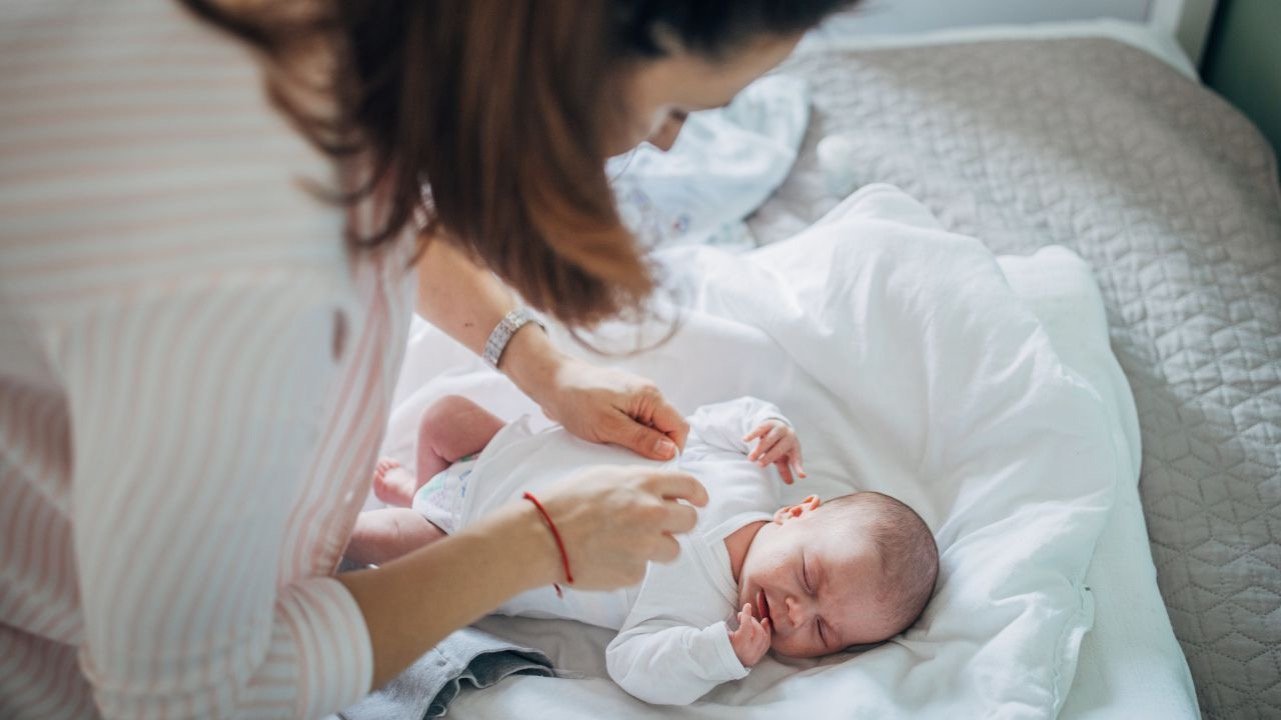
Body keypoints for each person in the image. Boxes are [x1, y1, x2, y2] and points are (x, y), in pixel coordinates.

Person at [0, 0, 860, 717]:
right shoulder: (248, 260)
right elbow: (185, 696)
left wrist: (537, 362)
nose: (666, 148)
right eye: (675, 108)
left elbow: (386, 200)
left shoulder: (333, 51)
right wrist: (533, 545)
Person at [347, 395, 939, 705]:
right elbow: (707, 425)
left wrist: (716, 656)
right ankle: (417, 491)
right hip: (501, 459)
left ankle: (400, 514)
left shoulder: (698, 619)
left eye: (822, 633)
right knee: (444, 416)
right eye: (809, 580)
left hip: (470, 550)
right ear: (796, 512)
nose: (793, 613)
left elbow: (631, 666)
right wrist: (765, 422)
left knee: (367, 541)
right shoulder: (748, 477)